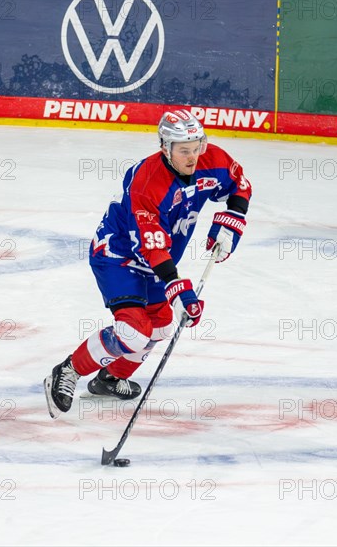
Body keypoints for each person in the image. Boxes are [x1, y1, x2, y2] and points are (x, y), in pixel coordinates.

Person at [44, 109, 252, 418]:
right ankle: (68, 371)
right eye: (184, 150)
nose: (193, 156)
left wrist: (233, 219)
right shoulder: (148, 181)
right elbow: (152, 249)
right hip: (119, 256)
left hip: (156, 260)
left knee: (162, 326)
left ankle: (110, 378)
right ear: (165, 147)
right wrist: (178, 289)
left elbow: (239, 183)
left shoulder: (211, 160)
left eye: (197, 147)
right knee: (133, 332)